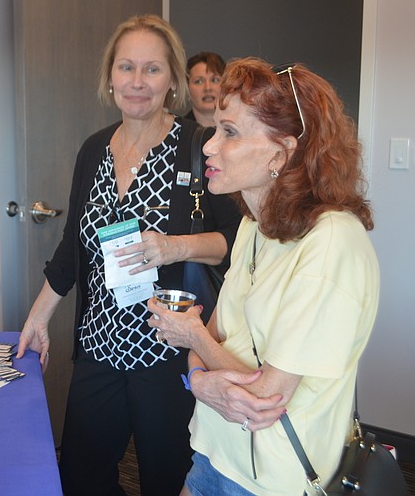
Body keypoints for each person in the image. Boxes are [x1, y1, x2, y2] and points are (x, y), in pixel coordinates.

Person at [16, 14, 241, 495]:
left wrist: (174, 247)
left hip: (169, 350)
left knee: (166, 479)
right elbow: (73, 246)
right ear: (110, 77)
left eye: (152, 69)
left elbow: (236, 238)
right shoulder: (93, 150)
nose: (137, 81)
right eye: (126, 67)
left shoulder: (200, 148)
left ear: (172, 80)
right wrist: (38, 317)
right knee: (82, 478)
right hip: (99, 345)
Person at [147, 57, 379, 495]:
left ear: (280, 152)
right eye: (216, 130)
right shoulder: (253, 226)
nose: (209, 147)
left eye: (230, 132)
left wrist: (192, 337)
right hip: (215, 450)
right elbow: (216, 333)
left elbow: (265, 396)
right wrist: (199, 381)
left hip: (274, 478)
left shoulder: (333, 242)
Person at [186, 52, 226, 127]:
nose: (208, 88)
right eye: (199, 81)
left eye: (214, 80)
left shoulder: (242, 128)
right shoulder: (177, 130)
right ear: (187, 88)